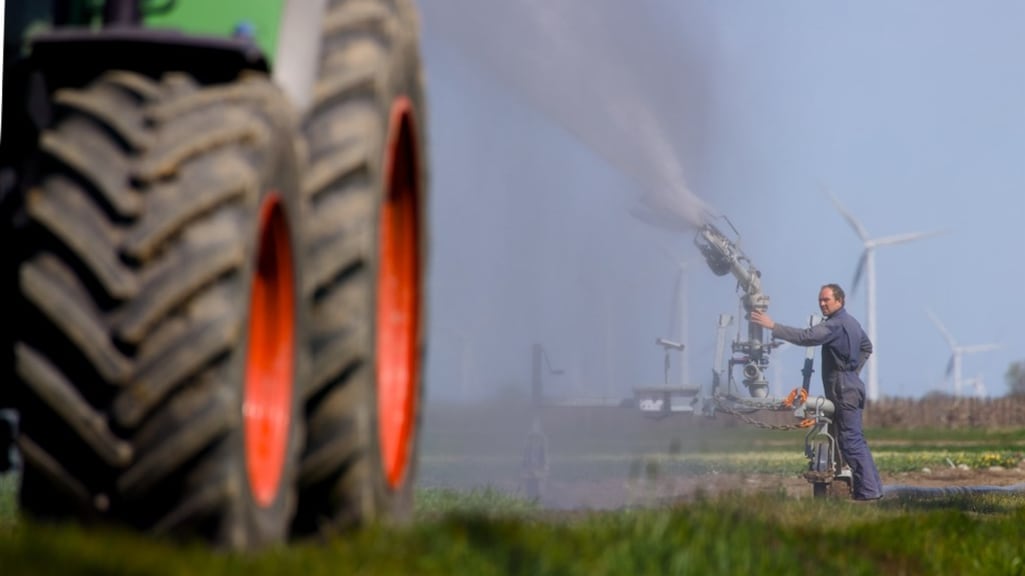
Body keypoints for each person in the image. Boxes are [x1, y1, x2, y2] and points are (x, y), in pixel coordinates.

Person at [750, 283, 883, 501]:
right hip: (852, 384)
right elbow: (866, 347)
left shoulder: (834, 325)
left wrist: (772, 326)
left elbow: (806, 337)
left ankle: (869, 492)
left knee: (850, 441)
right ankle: (873, 489)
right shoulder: (852, 322)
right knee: (855, 440)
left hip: (843, 387)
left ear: (840, 301)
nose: (822, 304)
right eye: (820, 300)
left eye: (826, 300)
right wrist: (852, 370)